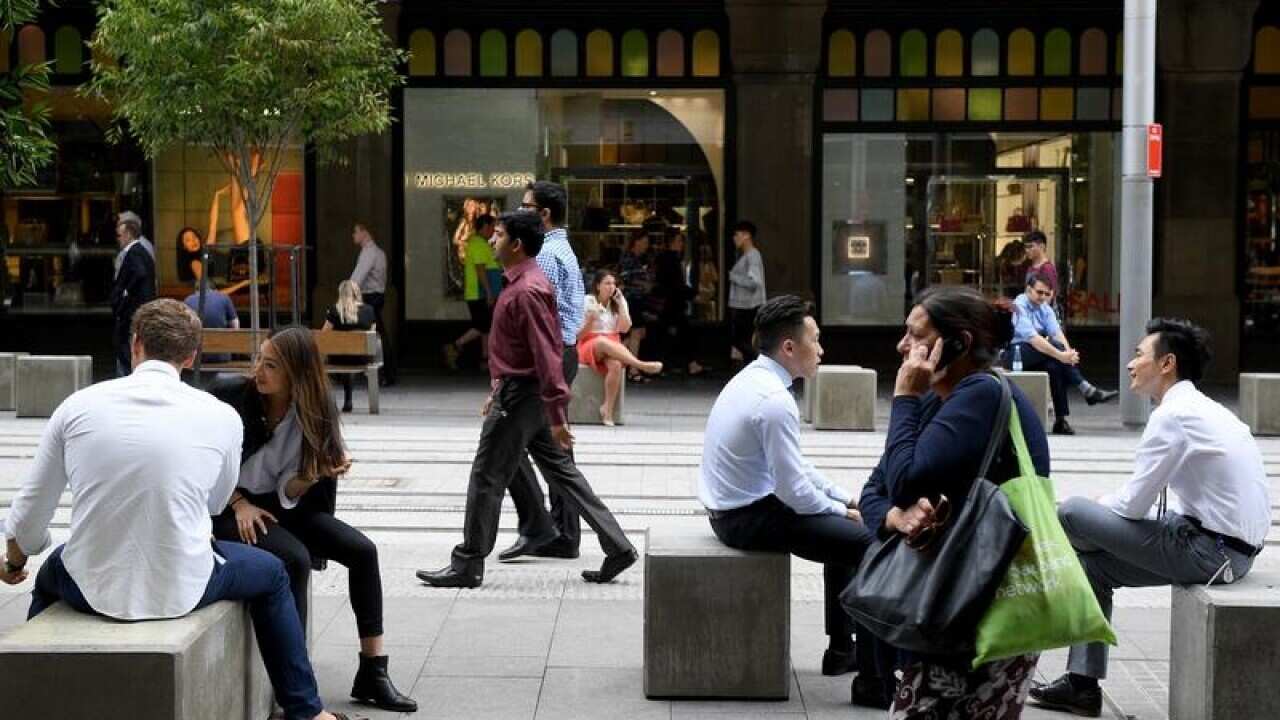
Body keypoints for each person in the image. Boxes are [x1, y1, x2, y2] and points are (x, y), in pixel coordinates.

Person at [1, 299, 352, 720]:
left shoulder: (76, 406)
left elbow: (29, 517)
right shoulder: (221, 416)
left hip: (91, 585)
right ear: (190, 356)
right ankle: (306, 711)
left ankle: (31, 698)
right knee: (274, 574)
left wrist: (14, 560)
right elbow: (216, 503)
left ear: (135, 344)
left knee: (50, 574)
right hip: (184, 585)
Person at [1029, 318, 1270, 718]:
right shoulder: (1203, 408)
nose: (1130, 364)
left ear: (1166, 363)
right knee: (1092, 566)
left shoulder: (1174, 415)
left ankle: (1044, 562)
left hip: (1210, 553)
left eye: (1139, 354)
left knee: (1069, 513)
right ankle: (1082, 686)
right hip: (1225, 549)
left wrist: (1093, 513)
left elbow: (1130, 507)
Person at [416, 211, 638, 588]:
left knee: (487, 474)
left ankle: (468, 563)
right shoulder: (523, 282)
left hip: (522, 396)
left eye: (499, 235)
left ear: (516, 244)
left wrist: (556, 413)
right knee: (562, 472)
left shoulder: (528, 289)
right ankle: (618, 546)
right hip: (523, 393)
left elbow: (546, 354)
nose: (492, 240)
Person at [860, 285, 1051, 719]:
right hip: (944, 600)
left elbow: (904, 480)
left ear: (960, 343)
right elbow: (875, 488)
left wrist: (905, 397)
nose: (902, 346)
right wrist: (894, 517)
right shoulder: (942, 399)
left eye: (916, 335)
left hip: (979, 607)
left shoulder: (981, 395)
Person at [210, 327, 416, 713]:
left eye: (271, 365)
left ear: (296, 373)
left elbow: (289, 490)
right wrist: (239, 503)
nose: (258, 370)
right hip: (226, 507)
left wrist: (314, 475)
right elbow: (203, 465)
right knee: (294, 559)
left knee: (363, 551)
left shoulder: (314, 410)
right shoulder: (232, 397)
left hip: (283, 506)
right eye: (259, 359)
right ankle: (296, 689)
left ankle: (373, 672)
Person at [698, 295, 882, 691]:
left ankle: (843, 651)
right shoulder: (775, 401)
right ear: (788, 347)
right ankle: (873, 678)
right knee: (871, 544)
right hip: (745, 518)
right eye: (815, 339)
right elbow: (793, 491)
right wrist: (841, 512)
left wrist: (844, 499)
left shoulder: (753, 379)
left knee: (845, 536)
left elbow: (795, 467)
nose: (821, 349)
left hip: (734, 509)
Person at [498, 181, 590, 563]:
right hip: (560, 353)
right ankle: (562, 532)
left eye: (525, 206)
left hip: (547, 356)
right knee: (553, 449)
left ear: (544, 214)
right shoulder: (561, 247)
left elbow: (537, 319)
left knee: (510, 441)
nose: (519, 211)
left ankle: (541, 527)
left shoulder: (547, 255)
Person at [1008, 271, 1118, 435]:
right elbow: (1034, 339)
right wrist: (1062, 355)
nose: (1043, 297)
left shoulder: (1045, 309)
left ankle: (1060, 421)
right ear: (1028, 290)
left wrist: (1068, 355)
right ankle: (1086, 389)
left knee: (1055, 366)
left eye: (1046, 294)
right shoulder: (1018, 306)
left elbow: (1057, 333)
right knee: (1056, 352)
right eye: (1039, 292)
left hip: (1039, 354)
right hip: (1016, 353)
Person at [577, 269, 663, 425]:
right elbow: (578, 335)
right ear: (598, 286)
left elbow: (624, 329)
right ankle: (640, 365)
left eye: (613, 284)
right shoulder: (587, 301)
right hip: (590, 342)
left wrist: (622, 306)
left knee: (616, 365)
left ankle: (607, 409)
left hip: (612, 342)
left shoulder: (618, 301)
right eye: (607, 283)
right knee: (602, 341)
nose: (611, 287)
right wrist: (590, 320)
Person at [444, 213, 501, 370]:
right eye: (492, 227)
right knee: (483, 325)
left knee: (486, 326)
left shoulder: (482, 243)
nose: (493, 231)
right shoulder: (477, 243)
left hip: (482, 293)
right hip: (479, 293)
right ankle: (455, 346)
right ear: (485, 226)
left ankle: (485, 358)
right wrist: (488, 292)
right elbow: (480, 269)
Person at [110, 211, 157, 376]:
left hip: (132, 309)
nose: (118, 239)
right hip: (137, 308)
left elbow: (140, 273)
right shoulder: (141, 251)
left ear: (128, 234)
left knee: (127, 348)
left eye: (119, 235)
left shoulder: (134, 252)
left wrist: (125, 292)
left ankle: (128, 376)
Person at [653, 232, 705, 376]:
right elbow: (676, 284)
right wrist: (693, 295)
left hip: (670, 303)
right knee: (681, 334)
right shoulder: (672, 260)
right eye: (679, 241)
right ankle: (686, 364)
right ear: (672, 242)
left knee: (674, 334)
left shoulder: (665, 259)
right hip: (672, 304)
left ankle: (671, 364)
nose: (681, 245)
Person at [322, 280, 377, 413]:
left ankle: (331, 401)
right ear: (357, 293)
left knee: (340, 355)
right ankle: (349, 399)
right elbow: (372, 334)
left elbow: (323, 336)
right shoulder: (369, 310)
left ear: (340, 293)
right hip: (362, 358)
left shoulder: (334, 310)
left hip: (337, 359)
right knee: (353, 354)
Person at [350, 223, 394, 386]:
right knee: (377, 334)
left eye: (355, 231)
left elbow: (357, 278)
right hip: (376, 297)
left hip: (370, 299)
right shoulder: (379, 252)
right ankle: (384, 372)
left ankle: (383, 373)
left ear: (364, 232)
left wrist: (346, 294)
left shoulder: (369, 253)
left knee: (374, 336)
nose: (353, 235)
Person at [728, 220, 766, 366]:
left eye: (736, 235)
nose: (734, 238)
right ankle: (753, 366)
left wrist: (734, 277)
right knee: (742, 341)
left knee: (739, 340)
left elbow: (754, 282)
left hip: (748, 307)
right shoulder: (748, 256)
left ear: (746, 235)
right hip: (745, 306)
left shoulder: (752, 256)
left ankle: (760, 363)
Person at [619, 231, 654, 377]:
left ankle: (616, 356)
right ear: (636, 242)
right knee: (637, 332)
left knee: (638, 333)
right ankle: (632, 369)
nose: (646, 246)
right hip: (631, 299)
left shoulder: (639, 259)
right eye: (644, 242)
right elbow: (625, 277)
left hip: (638, 300)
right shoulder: (629, 258)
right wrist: (643, 284)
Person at [184, 277, 240, 365]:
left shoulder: (188, 300)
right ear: (214, 289)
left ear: (196, 290)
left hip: (196, 357)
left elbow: (183, 326)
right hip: (221, 356)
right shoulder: (224, 297)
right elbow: (235, 323)